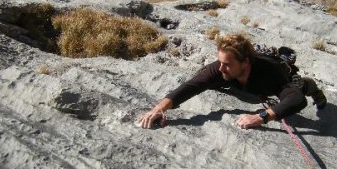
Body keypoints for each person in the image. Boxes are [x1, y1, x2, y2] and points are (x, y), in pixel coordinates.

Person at [139, 33, 326, 129]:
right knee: (207, 77)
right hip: (244, 85)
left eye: (227, 64)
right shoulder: (221, 68)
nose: (221, 68)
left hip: (271, 82)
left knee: (301, 87)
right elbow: (192, 86)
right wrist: (158, 109)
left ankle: (312, 88)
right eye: (220, 62)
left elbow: (296, 100)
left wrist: (262, 117)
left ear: (245, 63)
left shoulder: (271, 74)